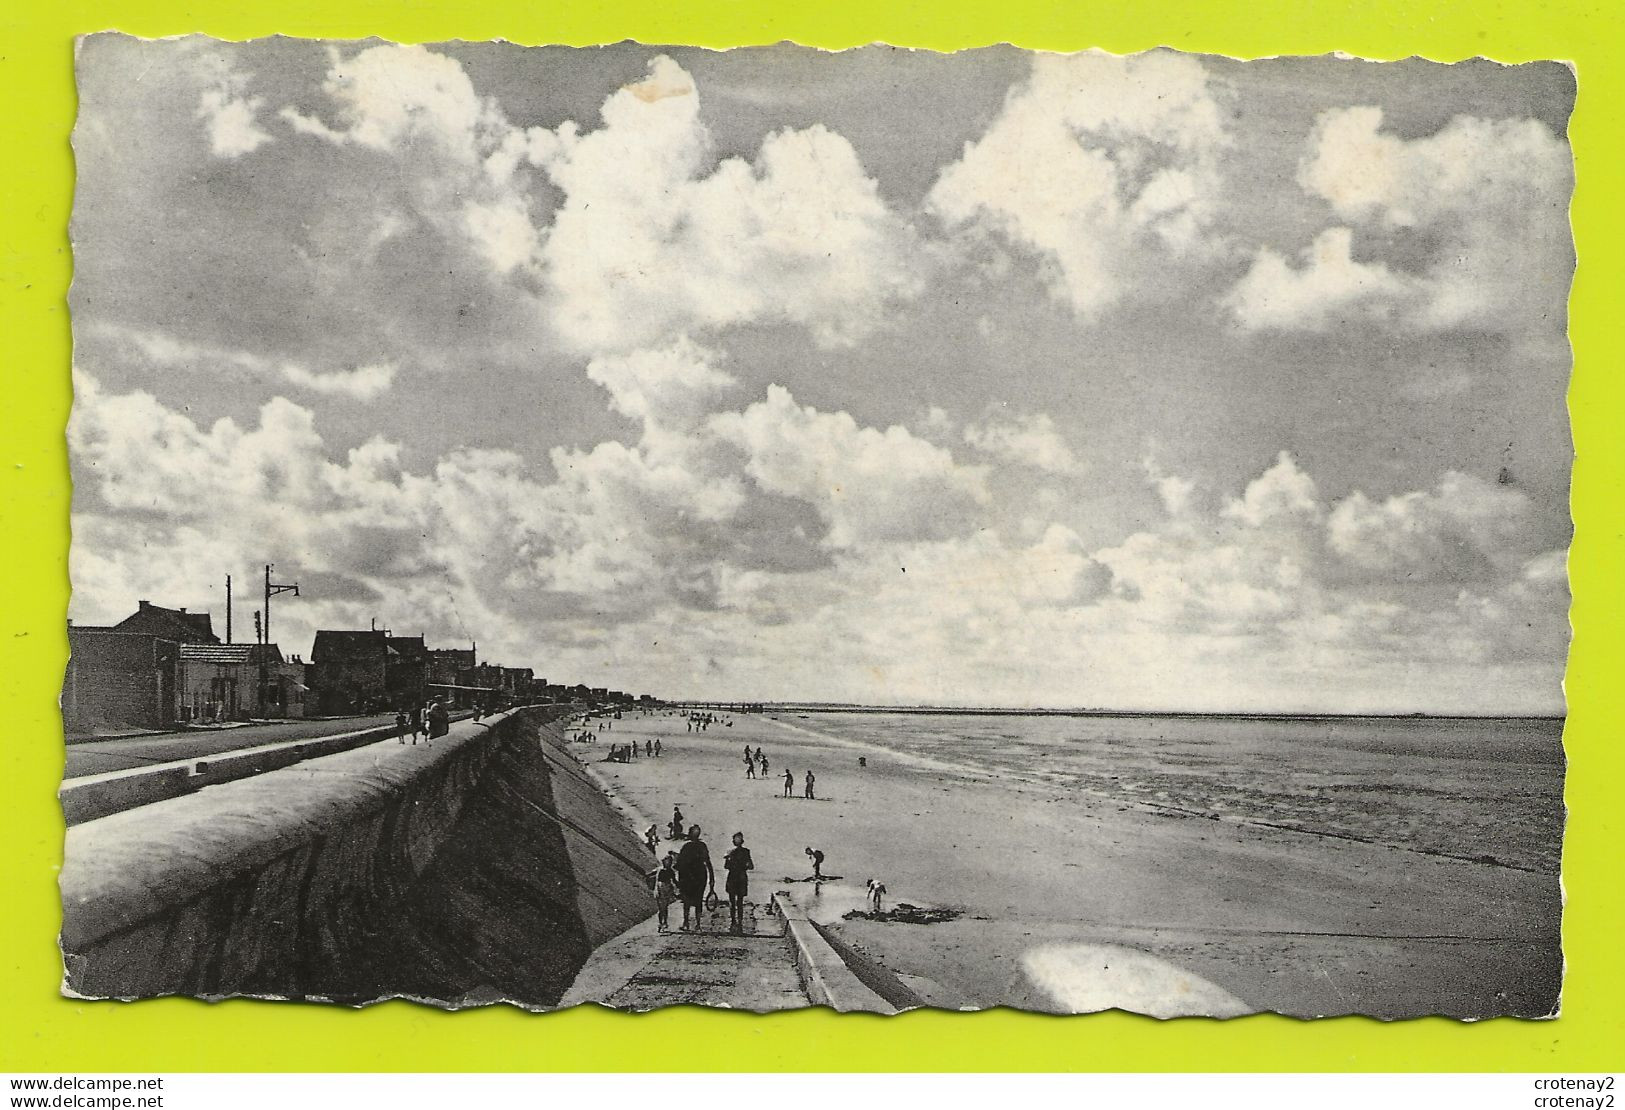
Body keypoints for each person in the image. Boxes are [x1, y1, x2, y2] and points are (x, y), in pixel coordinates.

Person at [675, 825, 714, 932]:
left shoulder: (686, 847)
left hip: (690, 876)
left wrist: (679, 880)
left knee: (688, 901)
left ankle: (687, 922)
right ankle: (696, 924)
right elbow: (708, 862)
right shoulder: (701, 846)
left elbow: (679, 865)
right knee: (697, 900)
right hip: (699, 875)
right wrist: (712, 878)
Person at [723, 832, 754, 934]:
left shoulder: (745, 852)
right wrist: (729, 859)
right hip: (735, 877)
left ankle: (738, 921)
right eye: (736, 839)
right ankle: (734, 920)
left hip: (739, 877)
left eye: (739, 839)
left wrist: (744, 864)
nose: (737, 841)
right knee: (733, 901)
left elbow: (751, 866)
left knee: (739, 901)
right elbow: (726, 866)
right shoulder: (732, 852)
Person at [653, 852, 678, 933]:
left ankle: (665, 922)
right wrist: (657, 890)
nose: (669, 863)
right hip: (661, 889)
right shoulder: (660, 870)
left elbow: (674, 881)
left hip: (667, 889)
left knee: (665, 907)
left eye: (670, 862)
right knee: (661, 908)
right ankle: (660, 923)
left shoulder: (671, 871)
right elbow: (657, 881)